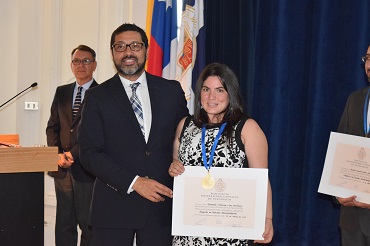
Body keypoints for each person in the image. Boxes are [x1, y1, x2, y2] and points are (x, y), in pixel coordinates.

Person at [78, 23, 189, 246]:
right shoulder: (96, 97)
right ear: (112, 53)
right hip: (113, 208)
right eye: (120, 46)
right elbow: (89, 153)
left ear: (146, 50)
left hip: (162, 207)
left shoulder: (171, 91)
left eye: (135, 46)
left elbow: (186, 138)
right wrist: (134, 182)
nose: (128, 52)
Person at [168, 63, 274, 245]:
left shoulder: (247, 128)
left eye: (219, 90)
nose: (211, 97)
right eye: (206, 89)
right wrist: (174, 167)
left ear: (230, 94)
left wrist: (267, 219)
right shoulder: (185, 125)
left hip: (232, 230)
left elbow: (261, 180)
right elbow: (176, 163)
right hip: (190, 231)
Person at [46, 44, 98, 246]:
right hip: (62, 169)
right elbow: (52, 127)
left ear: (94, 65)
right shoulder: (62, 92)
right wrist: (57, 155)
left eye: (86, 61)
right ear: (71, 65)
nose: (81, 65)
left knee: (87, 225)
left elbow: (95, 133)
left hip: (86, 169)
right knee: (64, 224)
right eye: (76, 61)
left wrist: (72, 155)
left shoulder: (101, 93)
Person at [336, 45, 370, 245]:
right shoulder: (355, 99)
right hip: (351, 220)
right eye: (367, 58)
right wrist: (337, 193)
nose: (369, 64)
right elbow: (340, 151)